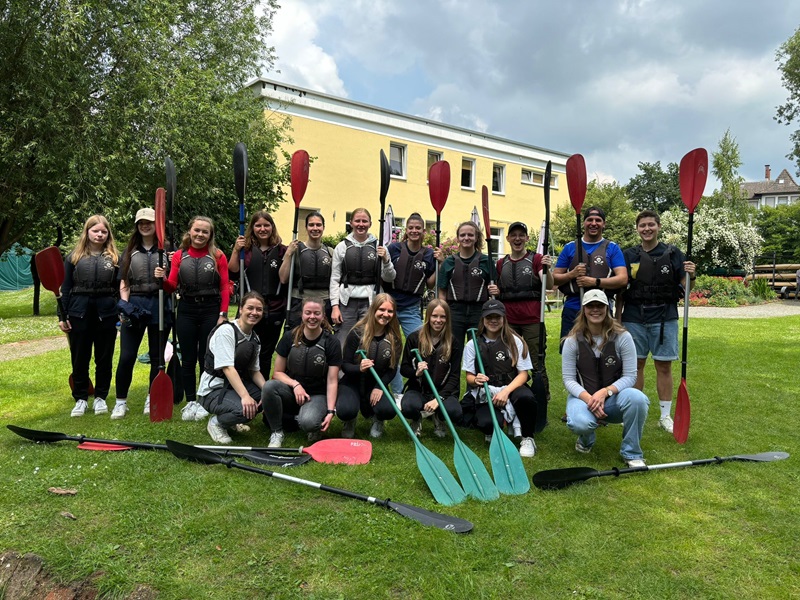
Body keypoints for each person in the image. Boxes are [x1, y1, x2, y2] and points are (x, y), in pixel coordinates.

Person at [618, 210, 695, 434]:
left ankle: (664, 416)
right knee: (635, 366)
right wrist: (618, 318)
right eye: (642, 225)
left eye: (651, 224)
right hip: (634, 317)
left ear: (658, 226)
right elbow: (621, 290)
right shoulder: (628, 255)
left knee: (663, 365)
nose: (647, 229)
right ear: (637, 229)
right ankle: (634, 410)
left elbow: (686, 285)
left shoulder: (673, 254)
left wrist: (691, 273)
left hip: (664, 317)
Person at [562, 289, 650, 467]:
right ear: (584, 310)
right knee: (580, 423)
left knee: (638, 399)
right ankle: (586, 439)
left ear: (607, 308)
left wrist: (605, 392)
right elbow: (569, 379)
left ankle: (631, 452)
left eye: (600, 306)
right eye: (590, 306)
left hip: (614, 398)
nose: (595, 310)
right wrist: (590, 399)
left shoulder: (623, 337)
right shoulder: (571, 341)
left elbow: (630, 376)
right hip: (584, 397)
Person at [157, 216, 230, 421]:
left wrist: (223, 314)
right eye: (197, 230)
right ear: (190, 232)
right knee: (188, 358)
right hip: (187, 309)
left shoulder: (218, 256)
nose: (200, 235)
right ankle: (190, 402)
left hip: (210, 310)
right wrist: (162, 279)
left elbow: (224, 286)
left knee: (205, 358)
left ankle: (203, 400)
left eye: (205, 232)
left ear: (210, 235)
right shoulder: (180, 256)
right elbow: (171, 285)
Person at [461, 299, 545, 458]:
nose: (493, 320)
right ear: (483, 319)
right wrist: (476, 380)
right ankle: (493, 429)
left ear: (504, 318)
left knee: (526, 398)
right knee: (487, 423)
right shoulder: (473, 344)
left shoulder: (515, 341)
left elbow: (523, 374)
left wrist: (506, 392)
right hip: (487, 391)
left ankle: (527, 437)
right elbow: (469, 377)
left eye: (497, 317)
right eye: (489, 317)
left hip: (511, 386)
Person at [113, 208, 172, 418]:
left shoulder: (167, 250)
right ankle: (121, 401)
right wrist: (124, 305)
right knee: (127, 356)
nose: (145, 226)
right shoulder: (130, 251)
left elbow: (174, 282)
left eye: (149, 222)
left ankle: (151, 397)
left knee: (157, 357)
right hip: (135, 304)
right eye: (141, 223)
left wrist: (165, 275)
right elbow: (124, 282)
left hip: (159, 305)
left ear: (156, 225)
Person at [59, 215, 120, 417]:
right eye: (96, 231)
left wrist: (120, 311)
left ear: (108, 234)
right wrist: (62, 315)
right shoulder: (73, 258)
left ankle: (101, 397)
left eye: (104, 231)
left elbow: (119, 288)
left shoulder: (114, 258)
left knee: (104, 357)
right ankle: (81, 399)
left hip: (106, 312)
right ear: (87, 232)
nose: (100, 234)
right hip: (79, 311)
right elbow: (65, 287)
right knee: (80, 358)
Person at [262, 298, 342, 447]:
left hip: (317, 394)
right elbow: (277, 373)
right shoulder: (289, 337)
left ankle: (307, 421)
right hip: (293, 391)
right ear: (302, 315)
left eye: (317, 313)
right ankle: (277, 432)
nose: (312, 317)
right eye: (308, 313)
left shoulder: (332, 343)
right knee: (269, 386)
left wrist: (331, 411)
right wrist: (295, 384)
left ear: (323, 315)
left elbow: (332, 380)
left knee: (309, 423)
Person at [495, 221, 554, 404]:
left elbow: (550, 285)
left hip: (533, 320)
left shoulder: (536, 259)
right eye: (514, 235)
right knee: (510, 361)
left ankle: (541, 399)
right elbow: (497, 289)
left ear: (527, 238)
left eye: (521, 235)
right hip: (509, 321)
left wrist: (547, 269)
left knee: (536, 362)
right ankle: (513, 397)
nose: (517, 238)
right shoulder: (500, 263)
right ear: (508, 238)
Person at [198, 292, 268, 444]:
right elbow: (228, 368)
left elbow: (254, 371)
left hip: (232, 387)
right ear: (241, 309)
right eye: (250, 308)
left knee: (266, 398)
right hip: (213, 389)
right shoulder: (226, 331)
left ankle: (231, 419)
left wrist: (268, 390)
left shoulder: (255, 338)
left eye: (259, 309)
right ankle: (217, 423)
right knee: (245, 409)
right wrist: (245, 396)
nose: (254, 313)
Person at [552, 206, 628, 344]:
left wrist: (594, 282)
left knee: (603, 351)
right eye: (589, 220)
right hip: (574, 307)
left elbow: (622, 279)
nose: (594, 223)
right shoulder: (570, 247)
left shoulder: (612, 248)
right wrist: (572, 274)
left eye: (598, 220)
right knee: (572, 350)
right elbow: (554, 279)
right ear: (584, 223)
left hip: (601, 308)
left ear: (603, 224)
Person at [229, 211, 287, 378]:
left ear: (272, 227)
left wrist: (291, 253)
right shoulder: (244, 251)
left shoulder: (282, 250)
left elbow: (286, 278)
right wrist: (235, 249)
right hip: (251, 309)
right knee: (246, 349)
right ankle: (245, 385)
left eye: (266, 225)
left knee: (266, 353)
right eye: (258, 225)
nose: (263, 229)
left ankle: (262, 392)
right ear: (252, 228)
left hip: (275, 309)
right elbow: (232, 271)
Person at [337, 293, 403, 438]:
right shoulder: (356, 333)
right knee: (345, 410)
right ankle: (350, 419)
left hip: (376, 383)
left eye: (390, 311)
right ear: (373, 310)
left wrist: (380, 387)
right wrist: (358, 368)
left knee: (389, 410)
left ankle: (378, 419)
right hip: (352, 382)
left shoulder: (395, 338)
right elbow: (345, 365)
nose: (385, 314)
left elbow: (392, 369)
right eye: (381, 310)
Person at [330, 208, 396, 348]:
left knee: (366, 341)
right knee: (343, 341)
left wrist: (385, 259)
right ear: (351, 223)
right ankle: (341, 370)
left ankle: (362, 368)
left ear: (370, 223)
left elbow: (390, 277)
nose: (361, 224)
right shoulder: (341, 247)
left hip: (370, 302)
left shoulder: (379, 247)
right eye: (357, 221)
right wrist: (335, 306)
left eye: (364, 221)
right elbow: (335, 278)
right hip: (346, 302)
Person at [386, 212, 436, 393]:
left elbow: (430, 284)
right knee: (391, 349)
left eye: (418, 228)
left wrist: (440, 263)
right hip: (390, 306)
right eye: (411, 228)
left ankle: (420, 386)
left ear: (424, 231)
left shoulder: (429, 254)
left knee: (422, 343)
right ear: (406, 231)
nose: (414, 231)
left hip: (412, 307)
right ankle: (397, 392)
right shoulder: (394, 249)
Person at [399, 299, 462, 438]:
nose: (438, 320)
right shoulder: (414, 338)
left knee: (454, 412)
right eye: (434, 316)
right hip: (419, 390)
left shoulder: (453, 342)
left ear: (447, 319)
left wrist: (438, 399)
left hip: (442, 392)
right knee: (408, 407)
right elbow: (404, 368)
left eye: (442, 316)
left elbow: (455, 376)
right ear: (428, 317)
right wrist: (416, 372)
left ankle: (439, 418)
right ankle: (416, 419)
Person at [436, 221, 498, 351]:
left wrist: (496, 291)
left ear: (476, 238)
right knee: (452, 349)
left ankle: (476, 372)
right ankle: (452, 372)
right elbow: (442, 292)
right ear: (458, 238)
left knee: (478, 349)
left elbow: (495, 288)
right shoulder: (449, 262)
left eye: (470, 235)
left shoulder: (486, 261)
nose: (466, 238)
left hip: (479, 311)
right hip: (455, 311)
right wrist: (443, 312)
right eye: (462, 235)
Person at [280, 211, 334, 330]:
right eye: (311, 225)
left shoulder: (330, 252)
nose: (315, 228)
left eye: (318, 225)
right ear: (306, 227)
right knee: (294, 337)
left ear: (323, 227)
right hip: (299, 301)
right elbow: (283, 279)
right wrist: (288, 254)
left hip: (324, 301)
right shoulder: (295, 250)